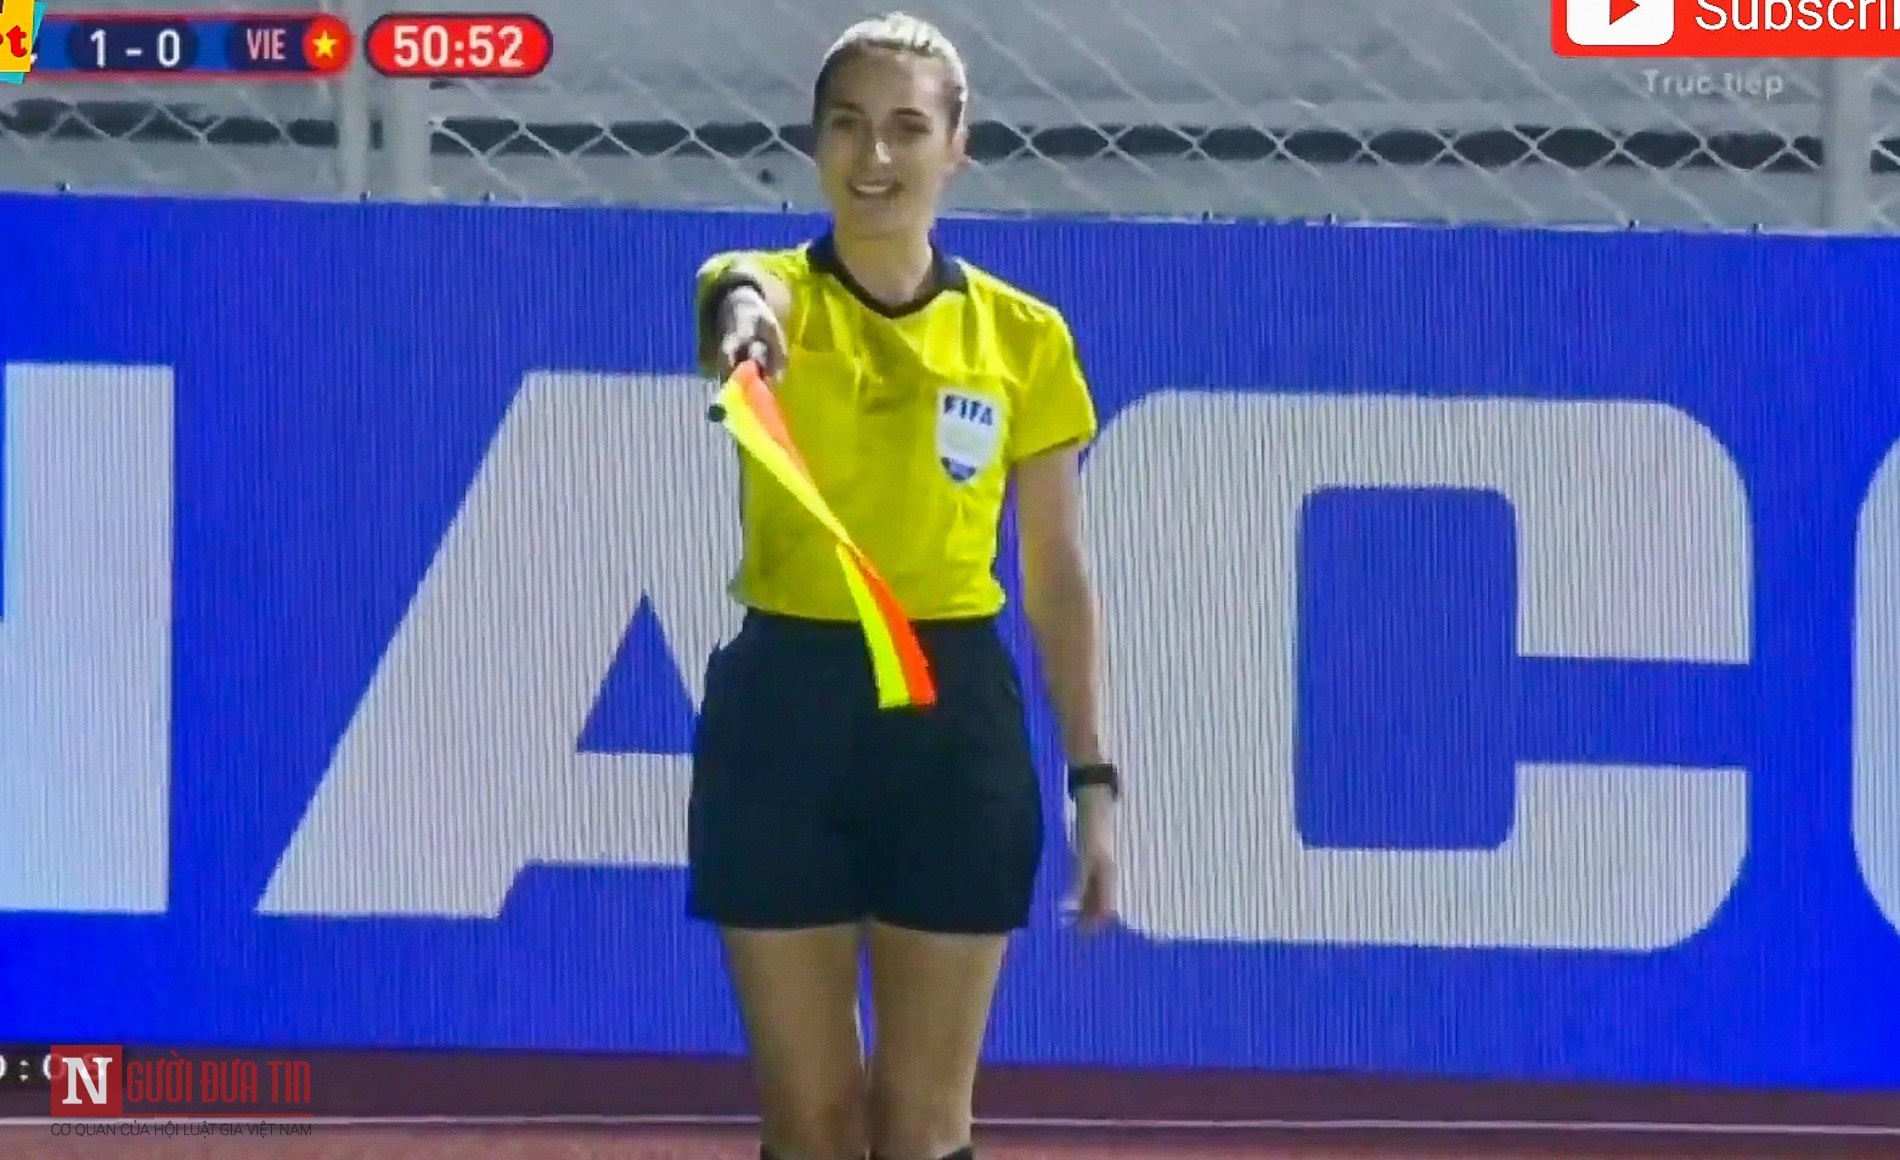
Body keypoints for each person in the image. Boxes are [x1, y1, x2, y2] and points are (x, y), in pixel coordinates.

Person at [687, 13, 1119, 1160]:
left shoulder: (1023, 338)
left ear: (955, 146)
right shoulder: (769, 291)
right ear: (815, 142)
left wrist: (1092, 777)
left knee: (923, 1122)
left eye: (906, 128)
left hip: (950, 723)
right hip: (784, 717)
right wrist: (748, 331)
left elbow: (1055, 574)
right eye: (847, 126)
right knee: (814, 1121)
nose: (874, 155)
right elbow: (742, 294)